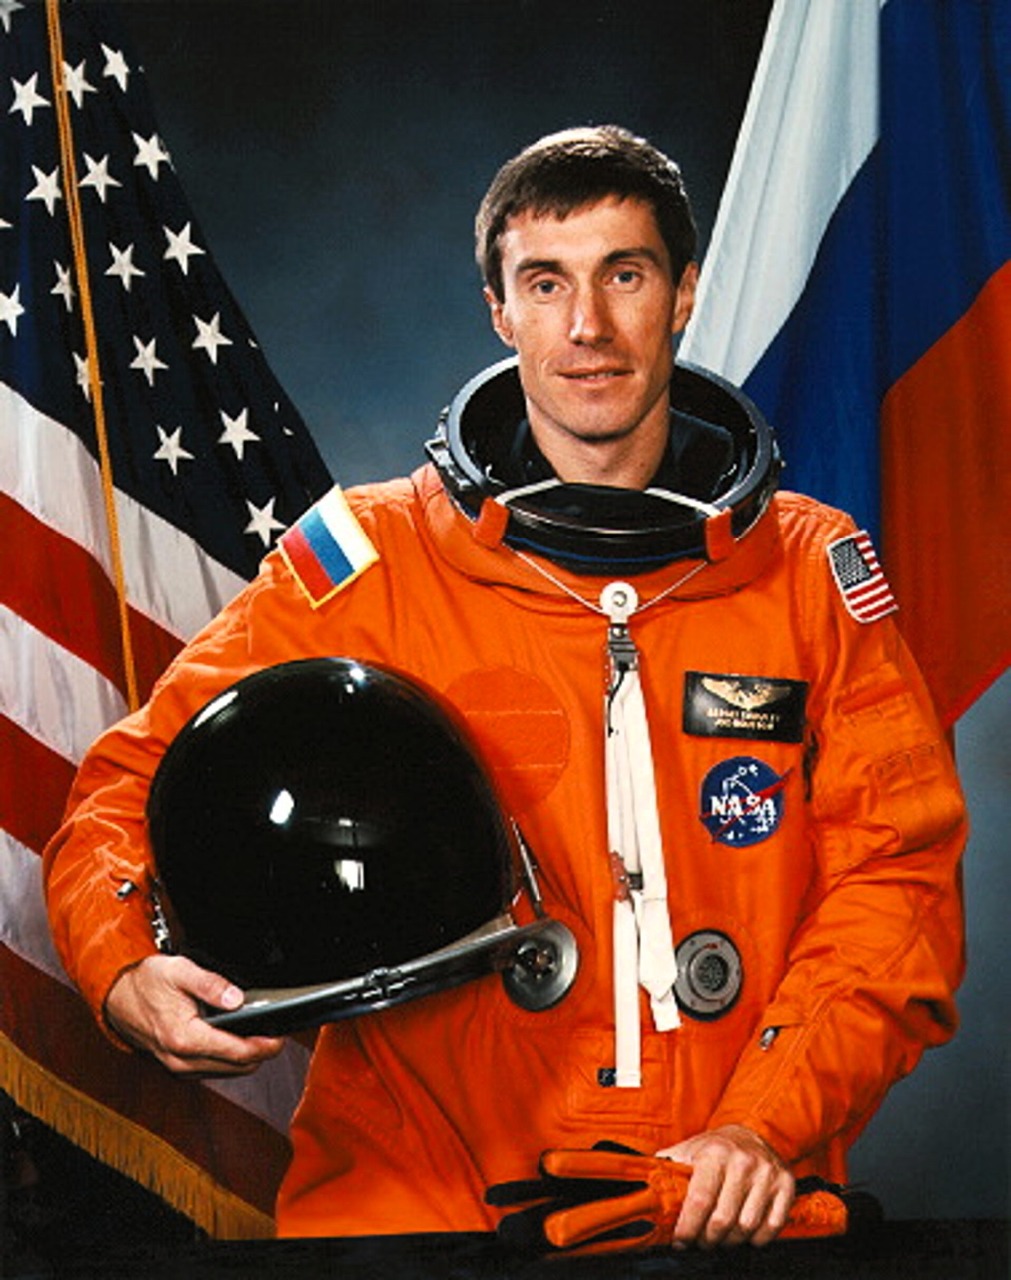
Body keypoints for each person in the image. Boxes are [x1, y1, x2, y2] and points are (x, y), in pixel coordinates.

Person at [44, 125, 966, 1251]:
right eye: (545, 283)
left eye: (624, 275)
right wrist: (123, 963)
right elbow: (130, 784)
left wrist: (758, 1129)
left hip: (718, 1204)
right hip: (413, 1209)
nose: (588, 327)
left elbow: (897, 882)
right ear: (500, 310)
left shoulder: (807, 572)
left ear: (683, 294)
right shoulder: (373, 561)